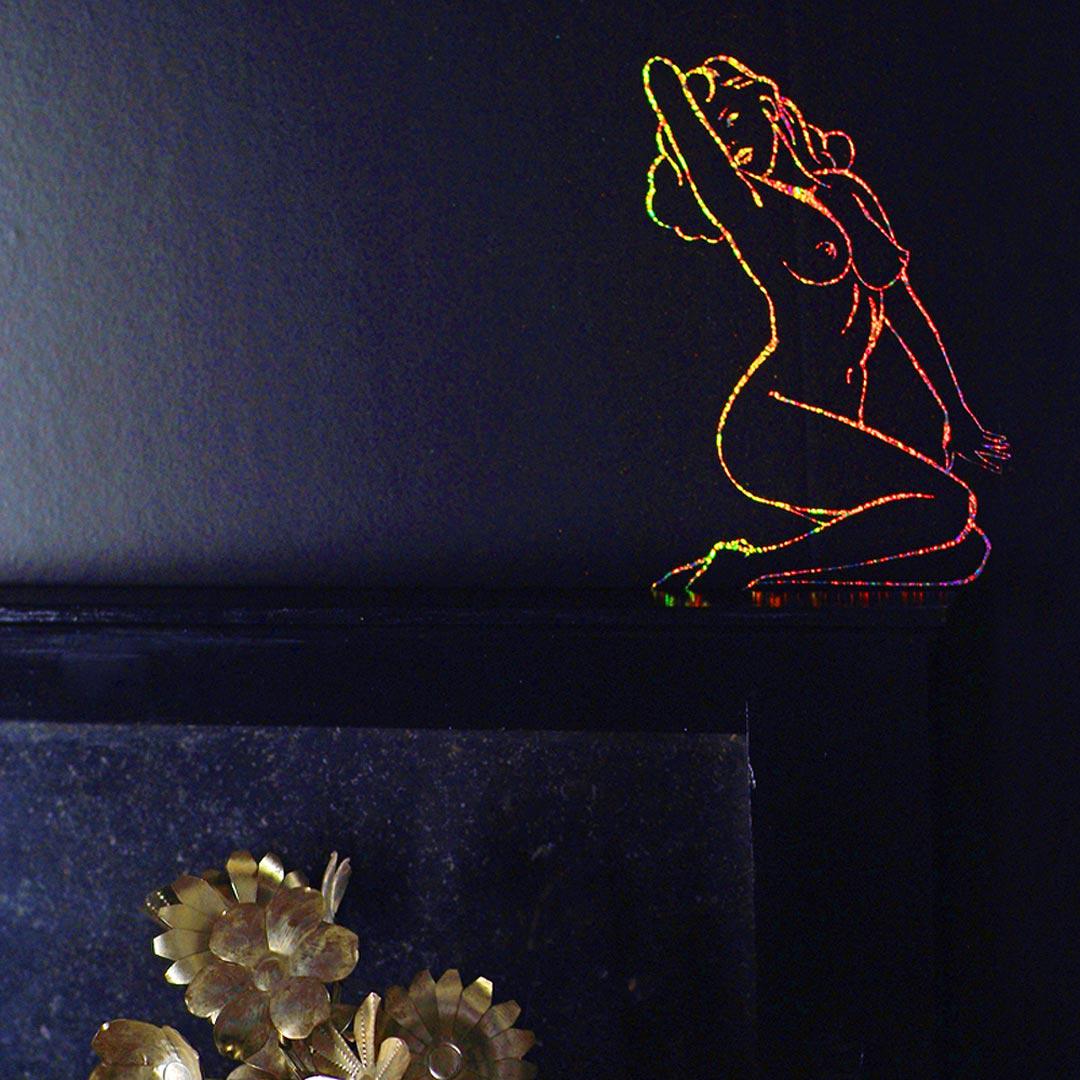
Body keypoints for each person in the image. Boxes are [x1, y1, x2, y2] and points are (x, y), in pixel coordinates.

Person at [643, 55, 1009, 591]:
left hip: (831, 419)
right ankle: (747, 568)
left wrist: (958, 414)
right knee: (948, 506)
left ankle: (761, 578)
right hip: (770, 421)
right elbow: (706, 166)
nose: (733, 142)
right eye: (719, 133)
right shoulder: (754, 208)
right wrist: (674, 103)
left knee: (962, 547)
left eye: (736, 121)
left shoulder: (845, 194)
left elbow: (905, 310)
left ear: (770, 108)